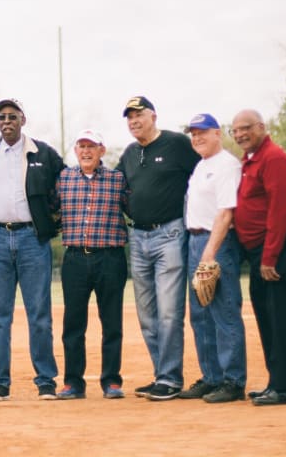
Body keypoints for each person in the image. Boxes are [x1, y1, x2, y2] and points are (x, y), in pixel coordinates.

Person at [0, 98, 64, 401]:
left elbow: (65, 186)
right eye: (1, 117)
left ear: (23, 120)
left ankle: (45, 380)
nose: (6, 122)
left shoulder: (43, 153)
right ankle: (0, 381)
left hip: (32, 239)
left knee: (39, 314)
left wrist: (52, 223)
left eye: (12, 116)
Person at [117, 96, 200, 401]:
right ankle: (162, 374)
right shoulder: (129, 153)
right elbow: (114, 187)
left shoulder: (177, 144)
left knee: (168, 312)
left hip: (170, 234)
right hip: (138, 238)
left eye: (139, 115)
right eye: (129, 117)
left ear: (154, 115)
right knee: (147, 314)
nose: (134, 121)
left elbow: (203, 174)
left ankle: (170, 378)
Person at [231, 109, 286, 406]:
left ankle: (285, 387)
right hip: (259, 249)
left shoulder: (273, 158)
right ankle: (276, 381)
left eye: (246, 128)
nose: (239, 134)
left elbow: (280, 210)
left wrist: (270, 257)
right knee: (266, 316)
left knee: (281, 317)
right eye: (235, 130)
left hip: (276, 247)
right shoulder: (250, 160)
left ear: (262, 127)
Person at [55, 129, 129, 400]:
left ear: (102, 151)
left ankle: (111, 381)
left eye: (92, 146)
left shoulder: (117, 179)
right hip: (75, 258)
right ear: (75, 150)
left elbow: (134, 206)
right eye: (81, 146)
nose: (86, 151)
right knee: (73, 324)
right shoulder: (63, 179)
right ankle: (73, 382)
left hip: (110, 257)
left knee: (111, 322)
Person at [179, 113, 246, 403]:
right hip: (195, 241)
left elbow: (225, 212)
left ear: (217, 133)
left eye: (202, 132)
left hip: (216, 242)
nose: (197, 138)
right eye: (193, 133)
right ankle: (212, 377)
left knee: (224, 312)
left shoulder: (227, 165)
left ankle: (233, 381)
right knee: (201, 315)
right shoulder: (201, 165)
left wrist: (210, 253)